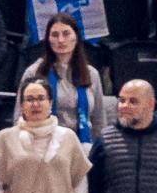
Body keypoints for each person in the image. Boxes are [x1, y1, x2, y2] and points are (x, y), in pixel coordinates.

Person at [19, 13, 111, 143]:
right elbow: (19, 117)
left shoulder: (92, 74)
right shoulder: (34, 72)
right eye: (55, 35)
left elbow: (99, 121)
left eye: (66, 34)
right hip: (42, 146)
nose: (61, 40)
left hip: (83, 147)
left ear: (76, 37)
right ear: (48, 39)